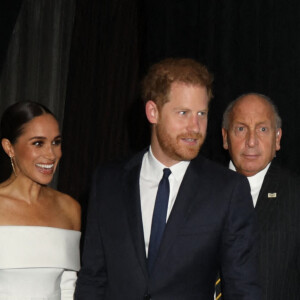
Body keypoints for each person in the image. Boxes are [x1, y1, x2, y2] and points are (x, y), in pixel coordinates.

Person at [75, 58, 261, 299]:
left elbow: (242, 288)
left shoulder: (228, 190)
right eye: (183, 113)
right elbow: (92, 277)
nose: (195, 127)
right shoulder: (108, 181)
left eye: (201, 114)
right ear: (153, 112)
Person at [222, 93, 300, 299]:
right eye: (241, 129)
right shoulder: (198, 192)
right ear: (225, 137)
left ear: (277, 139)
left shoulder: (295, 196)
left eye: (262, 129)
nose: (251, 141)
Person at [0, 101, 81, 299]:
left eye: (56, 142)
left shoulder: (69, 208)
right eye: (38, 143)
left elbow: (69, 285)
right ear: (9, 147)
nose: (51, 154)